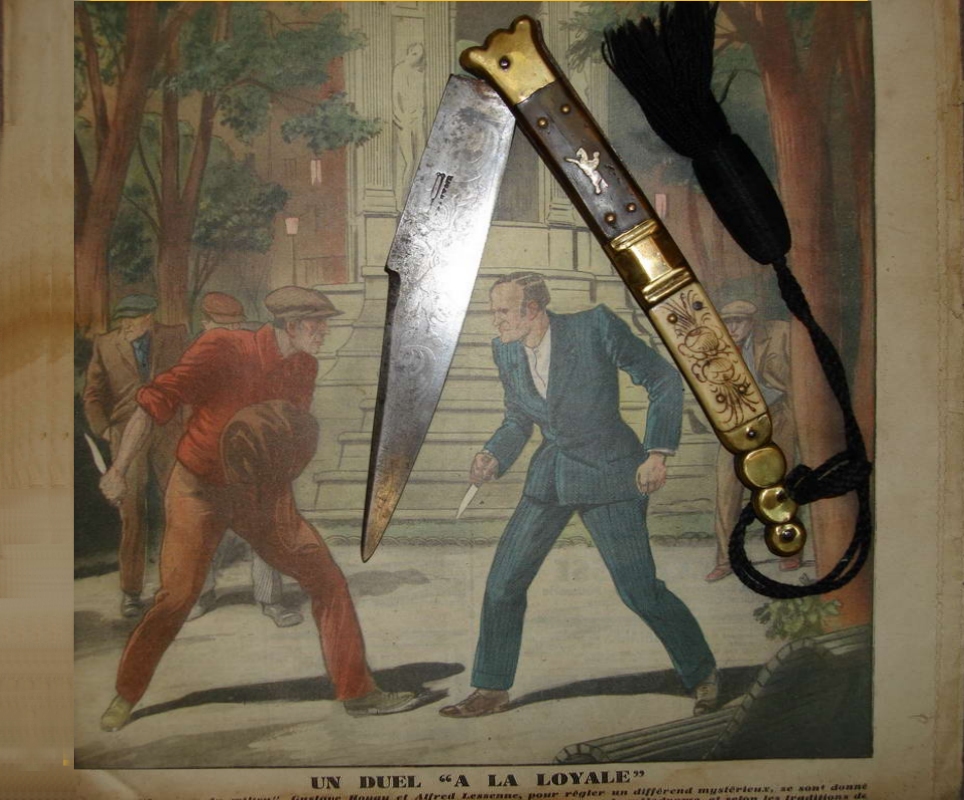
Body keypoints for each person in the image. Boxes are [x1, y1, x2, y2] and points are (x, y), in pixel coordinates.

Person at [98, 286, 421, 732]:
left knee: (327, 579)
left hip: (262, 493)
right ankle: (126, 693)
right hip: (199, 488)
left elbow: (288, 435)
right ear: (291, 325)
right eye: (317, 324)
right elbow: (153, 404)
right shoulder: (222, 346)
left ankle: (359, 692)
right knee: (177, 597)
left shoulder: (304, 367)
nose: (324, 332)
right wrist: (118, 469)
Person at [439, 271, 719, 719]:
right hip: (551, 478)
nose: (496, 321)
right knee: (503, 583)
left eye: (503, 311)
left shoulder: (594, 327)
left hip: (611, 473)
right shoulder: (505, 350)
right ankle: (491, 689)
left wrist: (657, 453)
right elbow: (518, 419)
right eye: (493, 312)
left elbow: (664, 378)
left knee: (639, 590)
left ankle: (702, 673)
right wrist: (493, 454)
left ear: (533, 309)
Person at [187, 291, 304, 628]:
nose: (231, 333)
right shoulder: (197, 355)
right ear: (205, 324)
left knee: (264, 526)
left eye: (236, 326)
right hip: (210, 453)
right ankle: (201, 594)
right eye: (223, 327)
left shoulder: (256, 352)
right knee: (206, 527)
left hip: (253, 452)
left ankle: (270, 599)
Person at [82, 294, 188, 618]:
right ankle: (131, 592)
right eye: (122, 321)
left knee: (179, 508)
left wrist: (187, 423)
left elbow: (191, 382)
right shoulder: (105, 344)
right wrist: (105, 430)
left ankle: (181, 586)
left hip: (169, 433)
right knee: (131, 514)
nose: (125, 327)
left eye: (132, 321)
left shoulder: (175, 336)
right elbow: (92, 394)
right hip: (125, 434)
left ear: (148, 318)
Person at [705, 300, 800, 582]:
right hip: (736, 422)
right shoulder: (714, 346)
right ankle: (726, 559)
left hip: (777, 415)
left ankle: (789, 549)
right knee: (727, 489)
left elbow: (799, 375)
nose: (733, 327)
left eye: (739, 321)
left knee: (780, 483)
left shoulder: (780, 332)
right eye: (728, 321)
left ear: (752, 322)